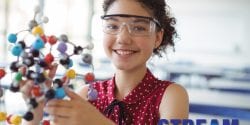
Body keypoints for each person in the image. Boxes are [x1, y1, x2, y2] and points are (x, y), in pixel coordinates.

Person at [24, 0, 189, 124]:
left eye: (138, 28)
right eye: (112, 26)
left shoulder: (170, 95)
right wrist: (34, 112)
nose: (123, 38)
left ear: (157, 38)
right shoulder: (86, 95)